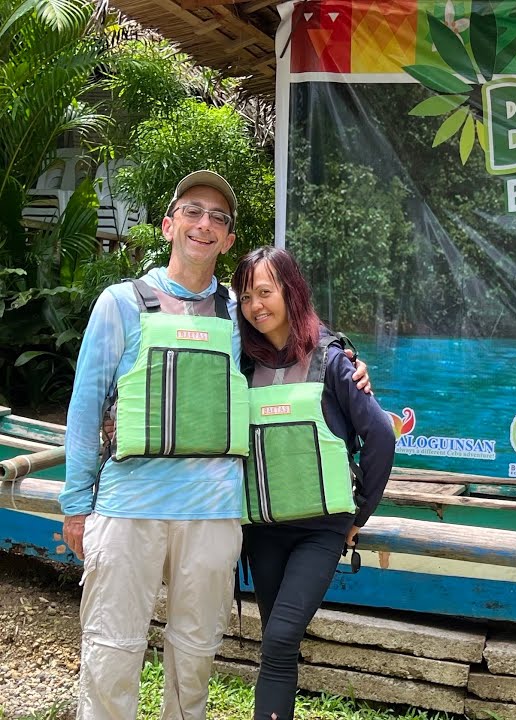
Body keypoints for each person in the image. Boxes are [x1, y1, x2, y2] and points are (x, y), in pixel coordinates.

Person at [59, 170, 371, 720]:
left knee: (195, 662)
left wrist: (349, 362)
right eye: (193, 211)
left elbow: (299, 348)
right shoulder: (120, 303)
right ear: (168, 224)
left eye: (219, 218)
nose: (205, 224)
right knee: (111, 656)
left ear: (228, 240)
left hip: (213, 518)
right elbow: (86, 406)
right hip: (128, 508)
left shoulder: (240, 315)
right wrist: (76, 505)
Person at [231, 246, 394, 720]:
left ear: (291, 291)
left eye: (266, 292)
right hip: (262, 528)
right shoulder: (242, 361)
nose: (256, 305)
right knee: (275, 644)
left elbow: (381, 435)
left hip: (321, 529)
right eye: (246, 297)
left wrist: (357, 514)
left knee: (281, 638)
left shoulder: (332, 358)